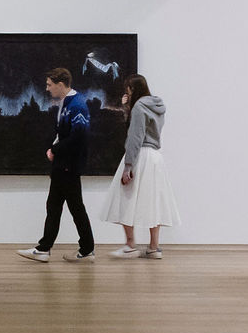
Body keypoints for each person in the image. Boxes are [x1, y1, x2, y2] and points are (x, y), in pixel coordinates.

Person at [17, 66, 95, 263]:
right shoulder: (67, 103)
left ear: (61, 84)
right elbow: (64, 133)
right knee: (55, 206)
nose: (47, 88)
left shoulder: (77, 105)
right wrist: (55, 148)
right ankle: (46, 248)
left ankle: (84, 249)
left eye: (49, 85)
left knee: (73, 207)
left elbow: (79, 136)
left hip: (68, 165)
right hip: (63, 164)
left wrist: (55, 150)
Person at [101, 73, 180, 258]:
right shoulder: (157, 106)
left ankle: (130, 245)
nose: (126, 91)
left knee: (125, 197)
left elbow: (135, 136)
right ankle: (154, 247)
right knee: (154, 202)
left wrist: (128, 166)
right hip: (155, 157)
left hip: (140, 156)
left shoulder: (139, 107)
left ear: (133, 89)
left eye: (128, 88)